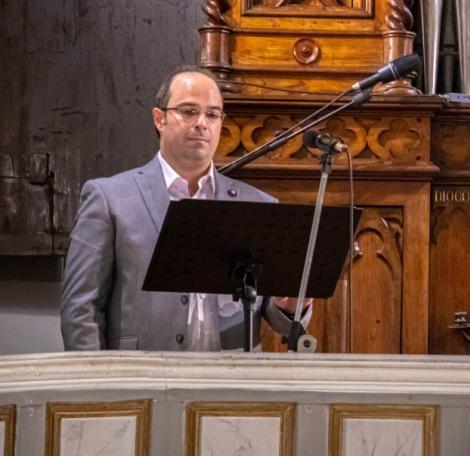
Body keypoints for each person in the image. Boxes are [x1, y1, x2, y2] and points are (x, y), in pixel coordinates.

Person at [61, 67, 303, 351]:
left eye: (212, 114)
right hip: (142, 371)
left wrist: (287, 308)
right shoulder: (109, 198)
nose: (201, 123)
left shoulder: (258, 205)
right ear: (159, 118)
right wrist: (96, 376)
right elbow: (81, 307)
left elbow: (272, 311)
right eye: (189, 111)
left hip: (233, 372)